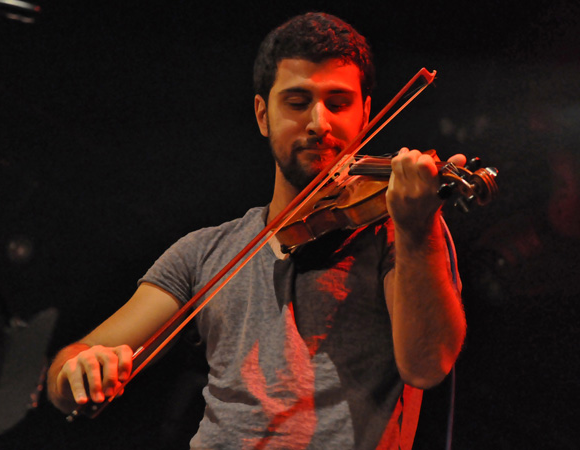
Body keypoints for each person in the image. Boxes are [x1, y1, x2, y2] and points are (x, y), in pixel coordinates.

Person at [47, 12, 466, 449]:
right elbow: (68, 370)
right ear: (263, 115)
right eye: (298, 102)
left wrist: (418, 231)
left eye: (338, 103)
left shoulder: (399, 231)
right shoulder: (206, 251)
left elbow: (427, 365)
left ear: (365, 115)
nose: (319, 123)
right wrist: (77, 372)